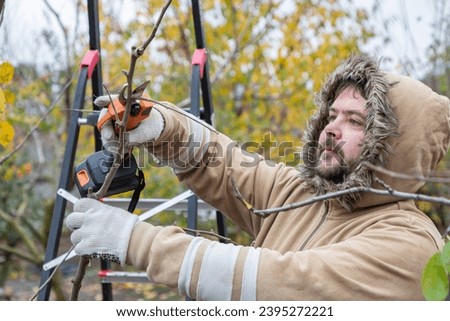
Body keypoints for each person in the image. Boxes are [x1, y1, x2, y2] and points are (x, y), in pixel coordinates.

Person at [66, 54, 450, 300]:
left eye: (355, 121)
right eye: (331, 116)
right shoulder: (305, 194)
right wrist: (162, 124)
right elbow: (226, 166)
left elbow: (283, 285)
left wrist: (138, 241)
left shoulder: (409, 245)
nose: (331, 129)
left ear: (395, 145)